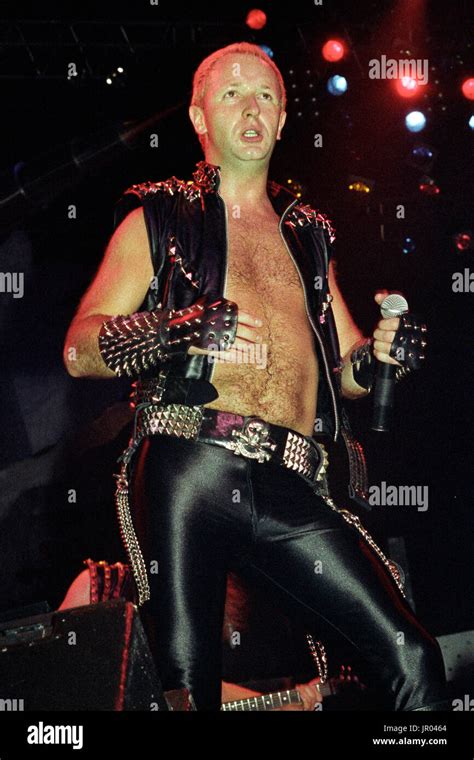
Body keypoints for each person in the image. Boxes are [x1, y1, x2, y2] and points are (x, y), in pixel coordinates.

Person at [63, 42, 447, 712]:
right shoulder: (158, 219)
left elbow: (347, 369)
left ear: (283, 120)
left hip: (293, 482)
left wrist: (380, 356)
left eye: (267, 95)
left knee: (411, 655)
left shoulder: (308, 235)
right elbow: (79, 348)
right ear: (199, 117)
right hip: (192, 466)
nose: (252, 106)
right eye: (233, 92)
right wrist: (171, 330)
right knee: (188, 690)